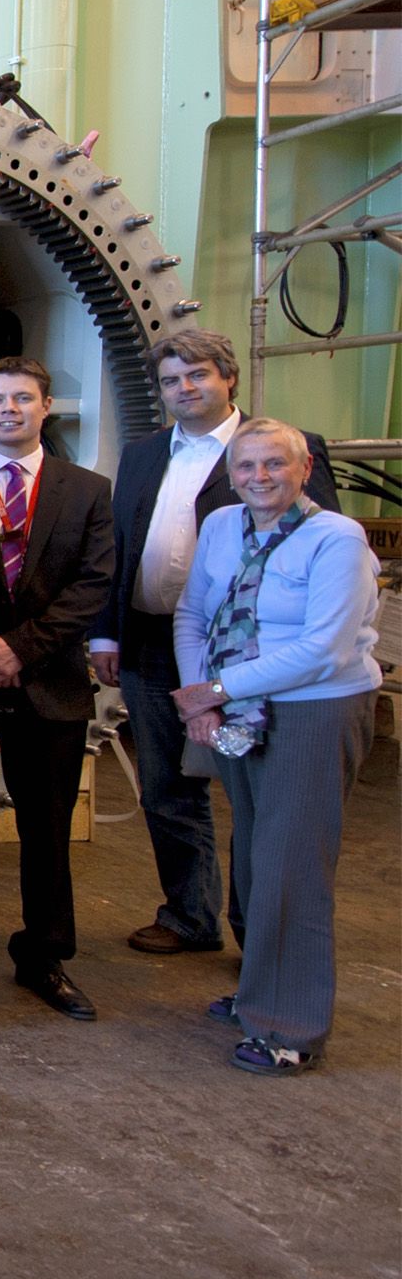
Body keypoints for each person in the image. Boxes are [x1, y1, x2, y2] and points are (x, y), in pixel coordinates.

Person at [91, 328, 340, 957]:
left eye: (198, 375)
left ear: (229, 378)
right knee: (167, 788)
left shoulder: (279, 448)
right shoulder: (144, 453)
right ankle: (189, 916)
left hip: (256, 659)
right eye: (171, 380)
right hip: (154, 642)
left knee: (257, 798)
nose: (184, 389)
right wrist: (107, 630)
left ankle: (259, 938)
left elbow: (318, 544)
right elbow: (120, 546)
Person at [172, 418, 381, 1074]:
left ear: (304, 469)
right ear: (231, 475)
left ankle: (289, 1028)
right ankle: (260, 991)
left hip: (314, 711)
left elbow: (323, 650)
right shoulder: (222, 526)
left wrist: (214, 689)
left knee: (293, 865)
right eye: (246, 466)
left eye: (274, 464)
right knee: (257, 857)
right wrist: (201, 696)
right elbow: (193, 614)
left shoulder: (336, 538)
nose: (259, 477)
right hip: (237, 707)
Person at [0, 356, 115, 1022]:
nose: (10, 408)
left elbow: (93, 583)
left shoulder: (87, 490)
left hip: (48, 677)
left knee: (46, 826)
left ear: (46, 406)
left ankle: (45, 954)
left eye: (23, 398)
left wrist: (21, 649)